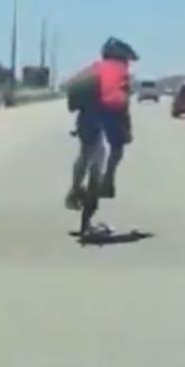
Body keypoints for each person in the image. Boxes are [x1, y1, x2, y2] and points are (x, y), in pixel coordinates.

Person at [64, 37, 138, 235]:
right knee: (117, 148)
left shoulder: (95, 67)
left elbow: (75, 87)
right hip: (112, 112)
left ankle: (75, 188)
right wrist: (126, 130)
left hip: (90, 114)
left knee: (87, 152)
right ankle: (108, 179)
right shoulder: (122, 71)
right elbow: (122, 100)